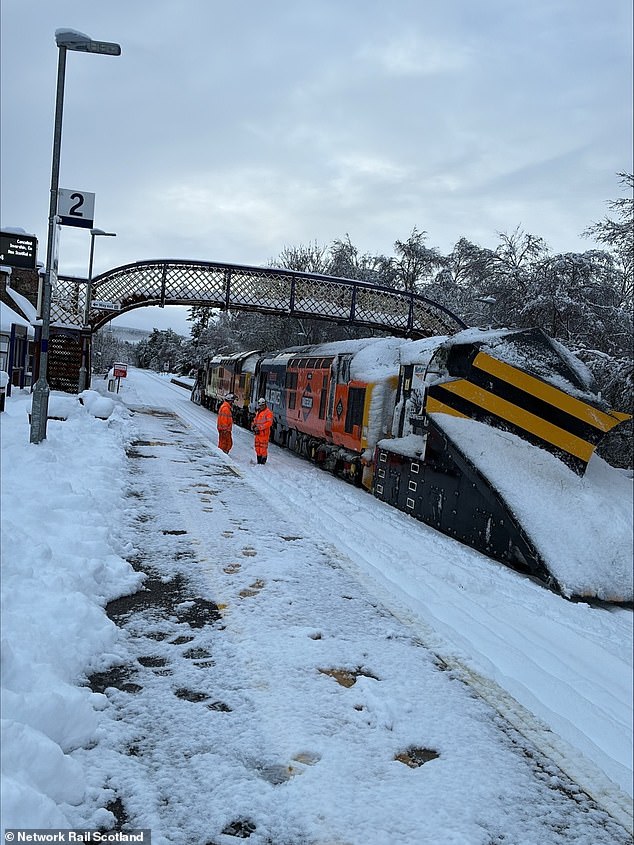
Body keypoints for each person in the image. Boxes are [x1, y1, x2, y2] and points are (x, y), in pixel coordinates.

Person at [252, 397, 274, 464]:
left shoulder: (268, 413)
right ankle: (259, 460)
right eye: (260, 405)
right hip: (258, 434)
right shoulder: (258, 412)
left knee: (263, 449)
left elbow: (269, 423)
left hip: (264, 434)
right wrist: (253, 426)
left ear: (265, 405)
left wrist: (260, 428)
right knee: (257, 448)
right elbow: (255, 420)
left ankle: (263, 461)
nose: (261, 407)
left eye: (262, 405)